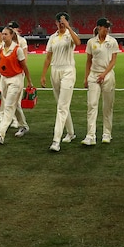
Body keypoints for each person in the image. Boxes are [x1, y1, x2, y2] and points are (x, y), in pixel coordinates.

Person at [40, 11, 80, 152]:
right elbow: (48, 57)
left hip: (68, 70)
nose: (60, 24)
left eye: (63, 21)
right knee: (62, 105)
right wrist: (43, 75)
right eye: (59, 22)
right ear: (56, 23)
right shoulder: (52, 37)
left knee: (62, 107)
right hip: (54, 71)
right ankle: (71, 133)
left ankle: (56, 141)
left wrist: (69, 28)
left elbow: (78, 42)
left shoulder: (70, 35)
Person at [0, 25, 33, 144]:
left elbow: (24, 66)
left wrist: (29, 81)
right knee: (14, 105)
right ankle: (24, 126)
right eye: (2, 34)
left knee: (8, 106)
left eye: (5, 34)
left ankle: (1, 133)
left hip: (16, 79)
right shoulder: (1, 49)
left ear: (11, 35)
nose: (3, 36)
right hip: (4, 79)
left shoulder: (17, 49)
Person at [82, 18, 118, 146]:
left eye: (108, 27)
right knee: (92, 105)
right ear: (98, 27)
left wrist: (104, 74)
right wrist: (86, 78)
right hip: (94, 75)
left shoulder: (112, 41)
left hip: (107, 75)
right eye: (105, 27)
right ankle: (90, 135)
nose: (107, 29)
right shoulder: (91, 42)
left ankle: (106, 133)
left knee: (107, 106)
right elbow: (88, 60)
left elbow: (113, 61)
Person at [6, 20, 29, 129]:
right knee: (7, 98)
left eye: (13, 28)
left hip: (18, 72)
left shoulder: (22, 41)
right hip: (6, 72)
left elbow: (24, 56)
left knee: (16, 98)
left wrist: (23, 69)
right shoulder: (6, 40)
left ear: (17, 29)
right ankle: (14, 120)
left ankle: (16, 121)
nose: (11, 30)